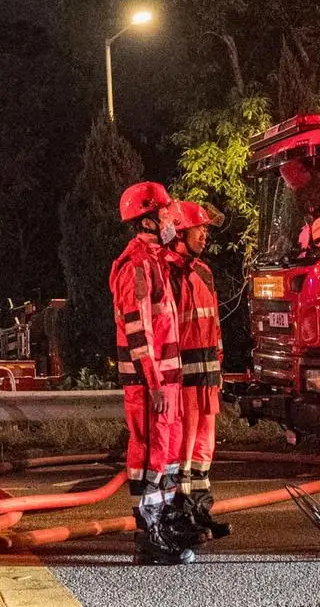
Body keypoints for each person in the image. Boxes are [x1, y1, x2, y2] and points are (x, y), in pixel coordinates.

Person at [109, 180, 192, 565]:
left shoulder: (156, 260)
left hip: (166, 381)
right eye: (165, 214)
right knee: (151, 455)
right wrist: (155, 382)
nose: (172, 220)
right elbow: (137, 329)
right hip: (149, 385)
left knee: (167, 455)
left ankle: (164, 526)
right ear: (147, 220)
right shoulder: (137, 266)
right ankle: (150, 533)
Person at [163, 199, 231, 545]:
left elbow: (214, 324)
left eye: (205, 229)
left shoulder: (204, 271)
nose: (204, 235)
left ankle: (201, 511)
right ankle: (181, 514)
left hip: (207, 376)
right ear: (179, 232)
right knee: (182, 451)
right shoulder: (167, 273)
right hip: (183, 379)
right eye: (198, 229)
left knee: (204, 448)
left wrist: (218, 367)